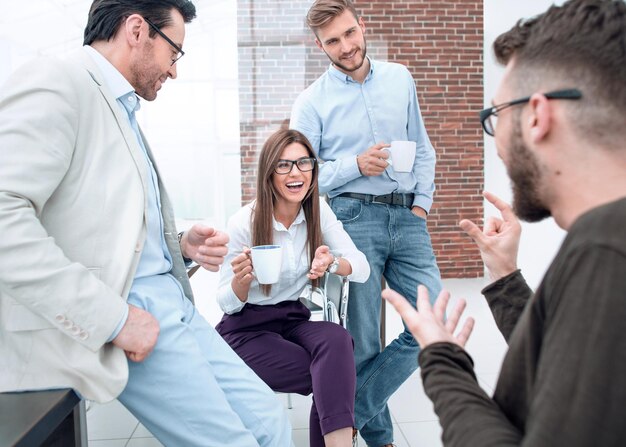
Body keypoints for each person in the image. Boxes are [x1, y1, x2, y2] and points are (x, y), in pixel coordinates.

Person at [0, 1, 292, 446]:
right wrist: (114, 320)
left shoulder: (118, 104)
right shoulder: (58, 82)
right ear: (137, 30)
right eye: (174, 52)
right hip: (129, 308)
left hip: (173, 302)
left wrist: (176, 243)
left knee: (269, 421)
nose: (174, 71)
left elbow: (97, 220)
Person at [383, 0, 626, 445]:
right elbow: (570, 370)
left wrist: (442, 359)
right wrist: (506, 278)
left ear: (536, 116)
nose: (495, 146)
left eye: (495, 117)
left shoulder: (605, 253)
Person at [289, 1, 442, 445]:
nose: (345, 46)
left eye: (349, 34)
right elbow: (301, 175)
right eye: (332, 41)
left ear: (362, 26)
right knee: (363, 341)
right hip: (353, 219)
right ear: (320, 45)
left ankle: (345, 415)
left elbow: (424, 148)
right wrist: (355, 165)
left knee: (429, 323)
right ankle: (381, 440)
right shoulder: (311, 101)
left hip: (408, 214)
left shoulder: (400, 78)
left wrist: (422, 207)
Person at [216, 128, 370, 447]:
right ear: (269, 173)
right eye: (284, 165)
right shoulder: (243, 222)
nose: (296, 172)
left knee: (338, 340)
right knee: (330, 375)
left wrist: (332, 264)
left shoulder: (318, 212)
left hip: (292, 319)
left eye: (304, 163)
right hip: (244, 329)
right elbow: (226, 303)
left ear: (313, 169)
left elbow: (362, 268)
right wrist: (240, 284)